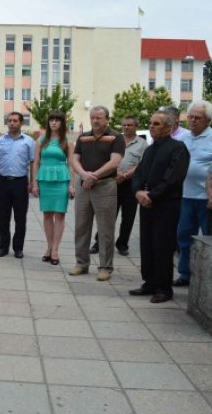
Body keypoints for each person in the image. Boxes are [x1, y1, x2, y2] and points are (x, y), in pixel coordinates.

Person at [130, 111, 189, 303]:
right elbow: (138, 173)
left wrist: (153, 195)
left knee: (162, 245)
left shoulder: (178, 148)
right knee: (146, 243)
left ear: (168, 127)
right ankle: (150, 282)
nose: (152, 126)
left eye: (156, 123)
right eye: (151, 123)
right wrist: (138, 191)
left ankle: (164, 288)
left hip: (166, 204)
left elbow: (173, 177)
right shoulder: (149, 149)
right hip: (147, 203)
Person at [70, 106, 125, 281]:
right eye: (93, 117)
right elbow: (75, 160)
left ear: (107, 119)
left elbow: (115, 162)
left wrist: (94, 176)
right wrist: (84, 174)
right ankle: (81, 263)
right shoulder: (83, 137)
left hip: (105, 186)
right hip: (84, 186)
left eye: (99, 118)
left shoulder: (116, 137)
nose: (95, 121)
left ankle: (105, 267)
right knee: (81, 226)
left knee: (105, 229)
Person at [90, 115, 148, 256]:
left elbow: (141, 164)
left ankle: (122, 244)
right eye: (124, 125)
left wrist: (125, 175)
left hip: (131, 184)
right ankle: (99, 242)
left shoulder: (142, 144)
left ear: (136, 127)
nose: (126, 127)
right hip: (112, 182)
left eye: (130, 125)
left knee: (128, 216)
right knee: (108, 215)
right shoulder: (115, 139)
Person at [174, 100, 212, 287]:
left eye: (198, 118)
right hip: (185, 196)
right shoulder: (183, 138)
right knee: (184, 236)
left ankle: (208, 276)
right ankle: (185, 274)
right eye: (190, 117)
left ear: (208, 120)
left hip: (207, 198)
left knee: (208, 238)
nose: (193, 120)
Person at [31, 110, 75, 265]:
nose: (54, 122)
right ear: (48, 123)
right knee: (47, 215)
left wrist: (72, 185)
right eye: (51, 120)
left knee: (60, 215)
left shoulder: (67, 142)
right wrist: (34, 183)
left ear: (62, 123)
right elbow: (36, 162)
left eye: (57, 120)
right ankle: (49, 247)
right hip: (45, 179)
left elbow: (71, 164)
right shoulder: (41, 140)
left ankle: (55, 249)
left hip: (61, 179)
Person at [0, 111, 35, 258]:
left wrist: (32, 182)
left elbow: (33, 163)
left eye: (15, 121)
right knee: (2, 217)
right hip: (3, 181)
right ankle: (3, 247)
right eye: (9, 120)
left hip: (20, 182)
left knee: (20, 217)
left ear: (21, 123)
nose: (12, 123)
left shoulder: (28, 142)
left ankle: (18, 248)